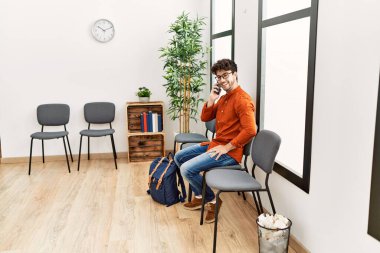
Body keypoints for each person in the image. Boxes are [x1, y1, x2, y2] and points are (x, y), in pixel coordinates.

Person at [174, 59, 257, 223]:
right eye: (218, 77)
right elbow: (205, 117)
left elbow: (251, 130)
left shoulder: (242, 100)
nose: (222, 80)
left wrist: (227, 147)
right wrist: (211, 99)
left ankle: (212, 200)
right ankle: (200, 195)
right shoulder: (224, 98)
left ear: (235, 74)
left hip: (229, 153)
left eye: (225, 75)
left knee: (186, 169)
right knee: (179, 157)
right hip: (214, 145)